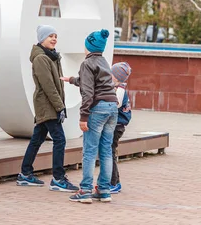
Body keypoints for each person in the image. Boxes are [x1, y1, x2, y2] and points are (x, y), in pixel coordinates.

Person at [16, 25, 79, 192]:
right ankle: (58, 179)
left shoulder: (51, 57)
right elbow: (49, 86)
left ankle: (25, 174)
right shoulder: (41, 59)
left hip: (49, 104)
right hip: (47, 105)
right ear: (41, 39)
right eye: (50, 36)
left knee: (37, 138)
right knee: (60, 139)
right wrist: (60, 107)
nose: (54, 38)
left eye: (55, 36)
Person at [61, 29, 118, 203]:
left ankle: (85, 190)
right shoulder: (103, 62)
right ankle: (104, 190)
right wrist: (72, 79)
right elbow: (92, 82)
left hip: (98, 109)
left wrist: (83, 117)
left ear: (89, 46)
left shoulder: (87, 64)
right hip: (112, 107)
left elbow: (88, 92)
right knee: (106, 151)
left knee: (89, 151)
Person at [110, 62, 133, 194]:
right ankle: (113, 181)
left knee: (109, 152)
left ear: (117, 77)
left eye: (111, 74)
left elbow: (116, 104)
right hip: (118, 125)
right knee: (109, 152)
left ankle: (114, 182)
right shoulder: (118, 87)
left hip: (116, 126)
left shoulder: (120, 90)